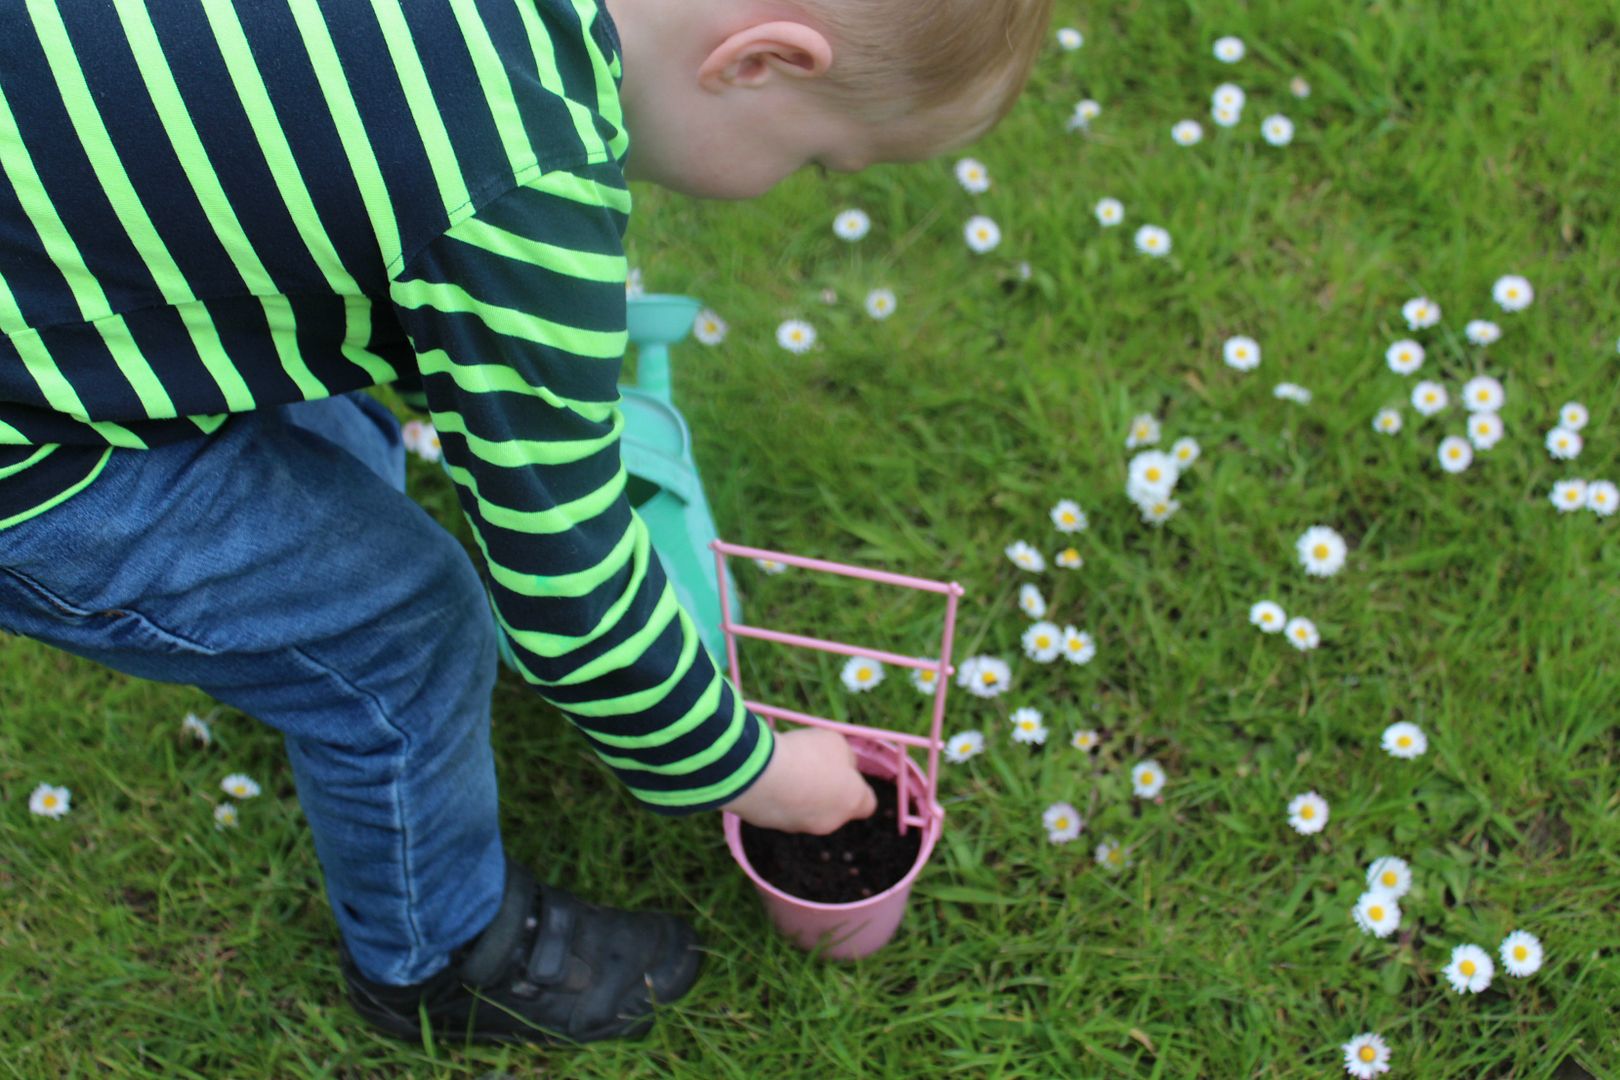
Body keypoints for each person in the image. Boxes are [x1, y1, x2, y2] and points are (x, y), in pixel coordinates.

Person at [0, 0, 1051, 1047]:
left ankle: (287, 665)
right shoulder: (521, 183)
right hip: (29, 443)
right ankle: (440, 955)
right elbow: (578, 612)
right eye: (822, 160)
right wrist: (765, 776)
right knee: (402, 622)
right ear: (759, 61)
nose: (797, 185)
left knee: (347, 458)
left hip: (59, 234)